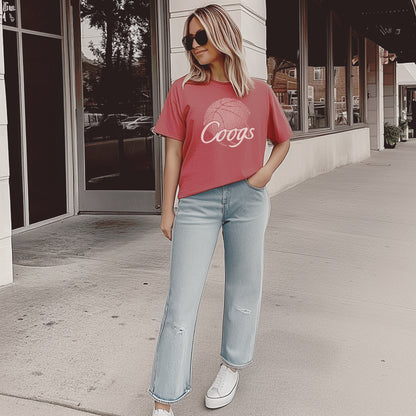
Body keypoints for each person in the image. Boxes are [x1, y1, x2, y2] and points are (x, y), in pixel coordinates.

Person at [148, 4, 292, 416]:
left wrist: (262, 177)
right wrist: (168, 208)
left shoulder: (259, 92)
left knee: (244, 288)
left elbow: (283, 139)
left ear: (222, 35)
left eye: (201, 37)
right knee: (181, 301)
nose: (194, 46)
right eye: (188, 40)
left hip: (247, 199)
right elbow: (172, 154)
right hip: (197, 203)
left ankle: (231, 366)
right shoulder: (183, 90)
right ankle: (164, 399)